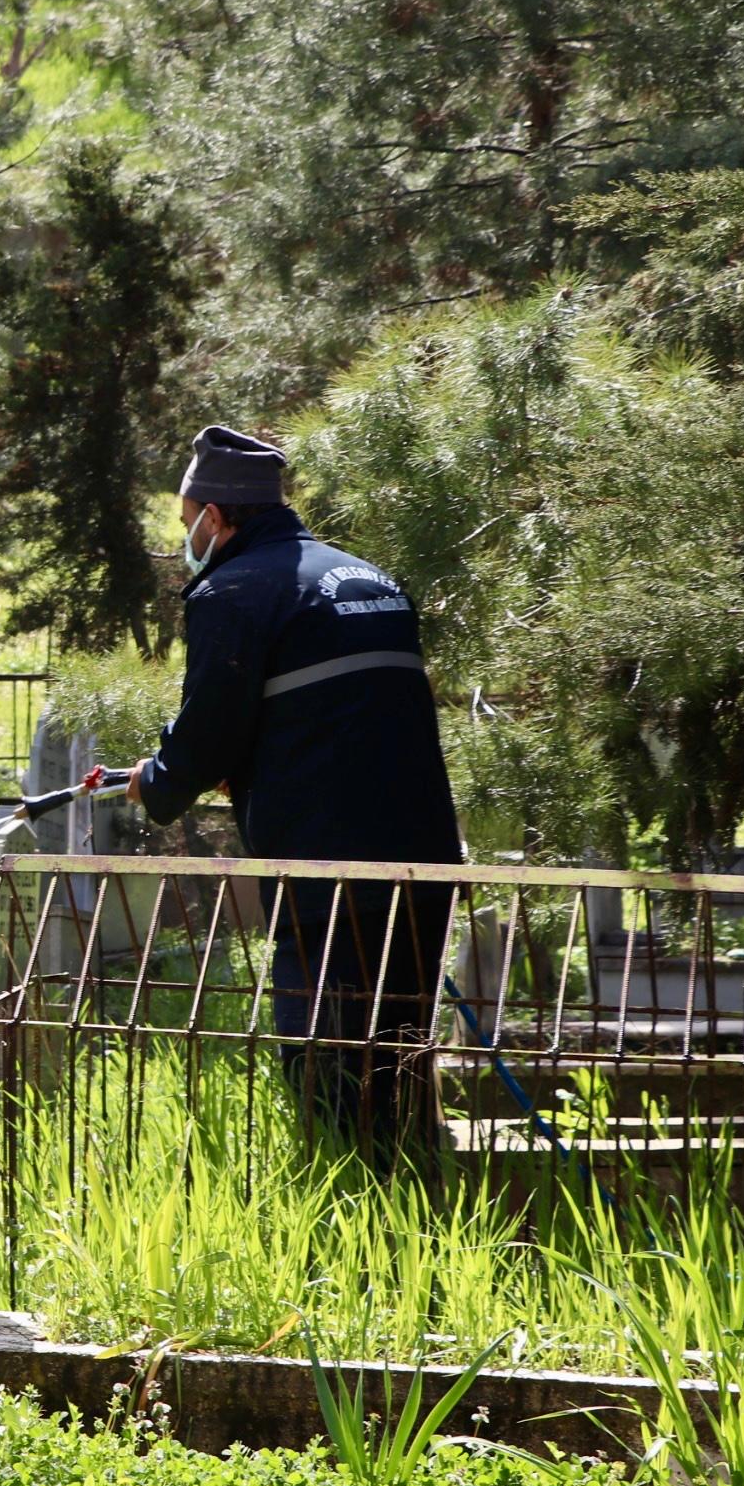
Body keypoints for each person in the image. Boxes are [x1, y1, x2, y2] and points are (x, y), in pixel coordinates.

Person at [125, 425, 463, 1170]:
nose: (186, 541)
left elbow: (210, 728)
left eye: (187, 524)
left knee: (327, 1063)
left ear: (216, 516)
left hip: (328, 871)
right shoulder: (371, 580)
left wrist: (158, 780)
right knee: (402, 1055)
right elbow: (332, 716)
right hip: (425, 861)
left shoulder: (235, 590)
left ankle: (348, 1203)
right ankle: (415, 1195)